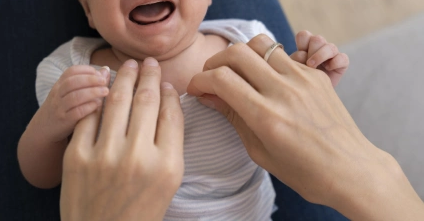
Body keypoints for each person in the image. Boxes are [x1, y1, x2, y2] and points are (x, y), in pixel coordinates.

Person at [0, 0, 349, 219]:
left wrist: (311, 78)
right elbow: (40, 176)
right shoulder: (72, 71)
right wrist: (48, 125)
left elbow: (295, 124)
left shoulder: (248, 42)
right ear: (87, 6)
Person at [60, 35, 424, 221]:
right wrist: (308, 73)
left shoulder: (238, 35)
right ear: (86, 4)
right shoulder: (71, 66)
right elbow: (34, 167)